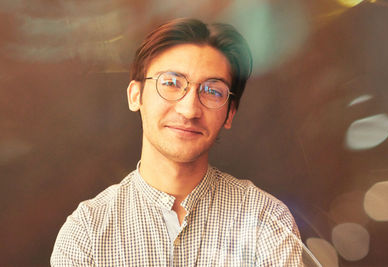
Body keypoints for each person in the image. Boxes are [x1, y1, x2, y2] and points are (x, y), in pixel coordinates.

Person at [51, 18, 303, 266]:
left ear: (230, 113)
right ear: (135, 95)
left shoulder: (266, 220)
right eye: (171, 83)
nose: (189, 109)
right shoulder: (87, 232)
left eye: (212, 91)